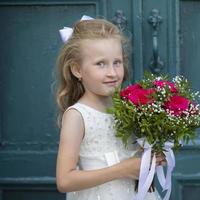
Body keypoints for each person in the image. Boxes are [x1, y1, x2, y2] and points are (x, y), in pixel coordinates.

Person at [55, 16, 162, 200]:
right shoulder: (77, 115)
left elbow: (124, 152)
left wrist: (146, 158)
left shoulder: (126, 106)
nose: (112, 73)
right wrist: (122, 170)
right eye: (100, 64)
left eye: (117, 62)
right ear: (77, 70)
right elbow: (64, 181)